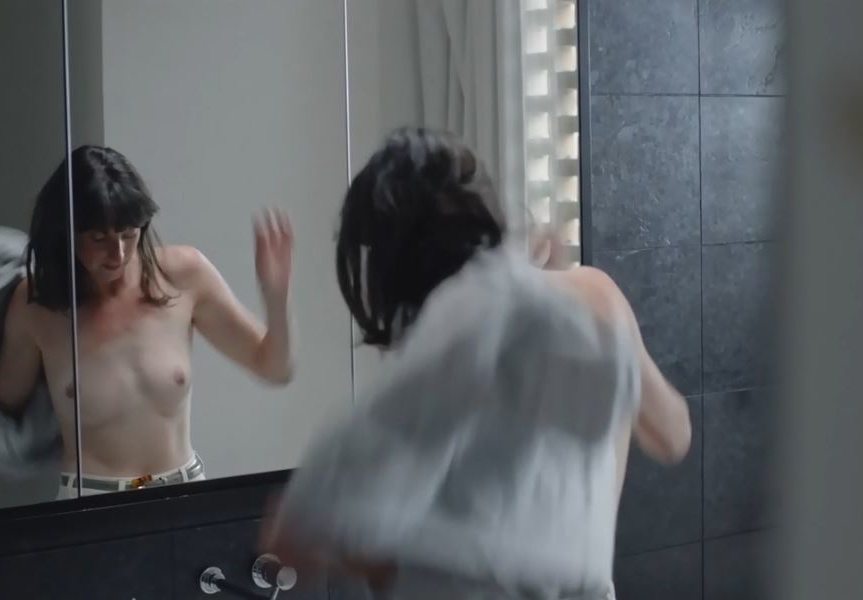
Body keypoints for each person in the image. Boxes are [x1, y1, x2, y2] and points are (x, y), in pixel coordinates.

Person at [262, 128, 690, 599]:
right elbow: (673, 436)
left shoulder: (458, 325)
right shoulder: (592, 300)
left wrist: (308, 517)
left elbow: (359, 473)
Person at [0, 144, 296, 498]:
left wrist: (276, 298)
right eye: (99, 238)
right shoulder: (37, 307)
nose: (118, 253)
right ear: (67, 234)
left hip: (185, 492)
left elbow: (273, 368)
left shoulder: (184, 274)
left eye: (129, 233)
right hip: (91, 503)